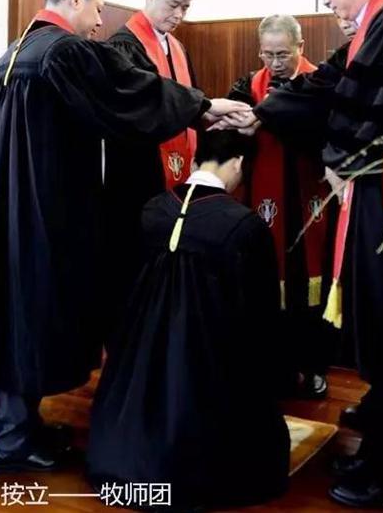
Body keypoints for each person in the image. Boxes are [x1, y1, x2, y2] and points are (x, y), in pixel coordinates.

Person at [0, 0, 248, 474]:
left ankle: (15, 426)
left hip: (4, 209)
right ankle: (12, 441)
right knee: (29, 315)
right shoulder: (62, 51)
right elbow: (126, 93)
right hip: (42, 210)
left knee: (13, 314)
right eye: (96, 10)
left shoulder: (14, 51)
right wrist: (203, 106)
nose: (98, 23)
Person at [233, 0, 383, 508]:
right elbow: (328, 86)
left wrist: (337, 160)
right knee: (377, 325)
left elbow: (375, 115)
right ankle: (381, 422)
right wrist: (258, 110)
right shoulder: (372, 28)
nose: (326, 0)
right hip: (378, 197)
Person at [87, 129, 290, 512]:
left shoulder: (151, 209)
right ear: (239, 164)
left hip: (141, 346)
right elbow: (261, 311)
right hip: (211, 355)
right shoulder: (245, 226)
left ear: (195, 162)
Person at [228, 14, 333, 399]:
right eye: (268, 54)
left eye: (283, 54)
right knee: (270, 285)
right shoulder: (248, 87)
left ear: (300, 48)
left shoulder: (318, 82)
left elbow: (325, 131)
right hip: (265, 202)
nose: (275, 63)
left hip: (311, 198)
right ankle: (278, 368)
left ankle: (314, 366)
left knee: (311, 287)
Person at [103, 0, 200, 321]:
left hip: (173, 179)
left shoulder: (177, 47)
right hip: (137, 179)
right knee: (134, 268)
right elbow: (141, 107)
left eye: (185, 8)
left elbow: (188, 102)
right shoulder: (122, 46)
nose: (178, 15)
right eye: (172, 5)